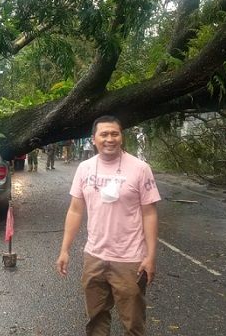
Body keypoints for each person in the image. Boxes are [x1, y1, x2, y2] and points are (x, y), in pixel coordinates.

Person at [56, 116, 160, 336]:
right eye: (104, 134)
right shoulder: (84, 169)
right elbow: (75, 210)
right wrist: (65, 249)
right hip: (94, 255)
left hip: (130, 259)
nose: (110, 139)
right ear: (93, 139)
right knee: (96, 318)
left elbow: (149, 213)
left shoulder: (140, 168)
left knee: (133, 322)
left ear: (122, 136)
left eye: (115, 133)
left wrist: (150, 256)